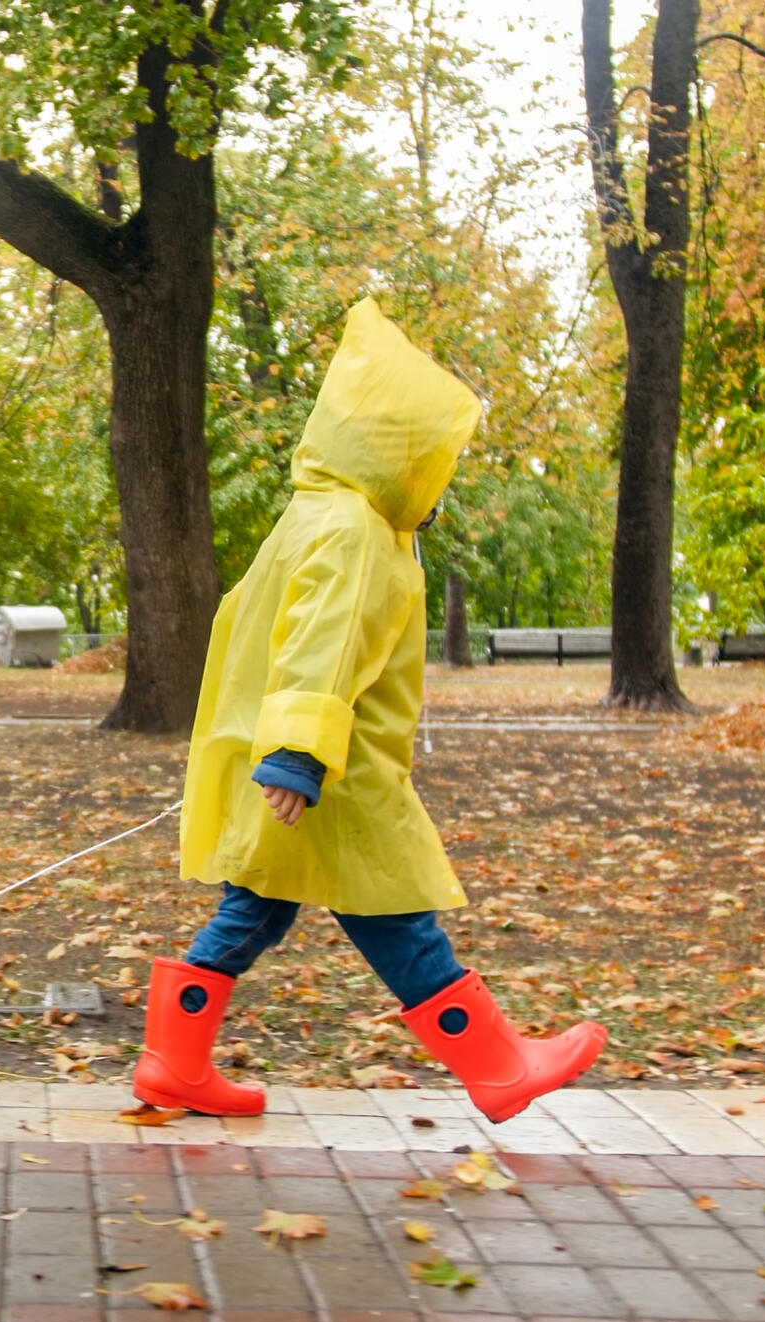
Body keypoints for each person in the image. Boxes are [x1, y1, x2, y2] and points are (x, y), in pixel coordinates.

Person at [137, 299, 605, 1124]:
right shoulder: (353, 529)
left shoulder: (315, 515)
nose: (437, 484)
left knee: (258, 905)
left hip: (297, 758)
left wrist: (280, 748)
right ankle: (497, 1067)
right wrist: (298, 755)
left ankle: (173, 1060)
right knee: (394, 909)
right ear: (396, 454)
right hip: (330, 771)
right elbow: (323, 639)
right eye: (433, 463)